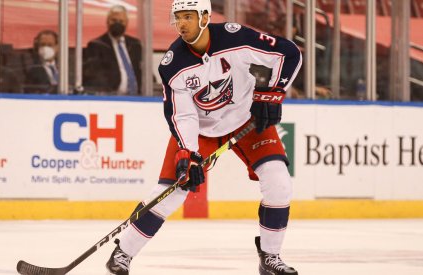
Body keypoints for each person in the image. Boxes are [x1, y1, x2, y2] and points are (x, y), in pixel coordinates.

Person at [105, 0, 302, 274]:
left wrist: (271, 93)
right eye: (178, 17)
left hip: (247, 118)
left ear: (205, 16)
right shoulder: (172, 65)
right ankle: (123, 252)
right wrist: (189, 154)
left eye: (188, 16)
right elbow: (182, 115)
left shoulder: (236, 38)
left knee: (279, 182)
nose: (182, 24)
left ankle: (270, 256)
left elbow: (288, 53)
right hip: (201, 130)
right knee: (171, 192)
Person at [83, 5, 142, 95]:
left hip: (138, 97)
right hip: (110, 98)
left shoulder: (135, 45)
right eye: (114, 20)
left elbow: (142, 69)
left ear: (126, 23)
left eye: (121, 21)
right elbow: (95, 76)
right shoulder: (96, 45)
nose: (117, 23)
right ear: (107, 22)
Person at [24, 30, 59, 94]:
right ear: (37, 47)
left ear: (57, 47)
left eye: (50, 45)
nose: (45, 48)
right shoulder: (31, 70)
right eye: (42, 45)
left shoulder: (65, 67)